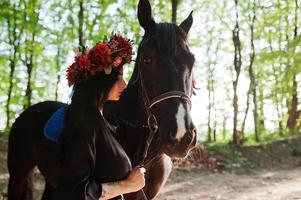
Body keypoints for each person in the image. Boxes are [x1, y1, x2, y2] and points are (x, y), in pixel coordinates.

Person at [53, 34, 145, 200]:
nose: (124, 84)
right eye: (118, 78)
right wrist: (128, 185)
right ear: (101, 81)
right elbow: (73, 193)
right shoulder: (87, 123)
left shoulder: (101, 120)